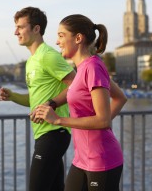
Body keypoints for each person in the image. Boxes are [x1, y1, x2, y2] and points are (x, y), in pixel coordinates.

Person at [35, 14, 127, 191]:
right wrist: (51, 103)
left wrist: (58, 120)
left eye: (61, 35)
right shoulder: (82, 69)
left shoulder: (93, 67)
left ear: (78, 38)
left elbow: (103, 120)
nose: (57, 41)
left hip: (102, 161)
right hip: (81, 159)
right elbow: (120, 97)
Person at [0, 6, 76, 191]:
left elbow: (77, 85)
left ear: (36, 29)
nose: (15, 32)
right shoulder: (32, 61)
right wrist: (13, 96)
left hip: (54, 133)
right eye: (16, 27)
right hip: (44, 134)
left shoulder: (48, 56)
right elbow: (35, 101)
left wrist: (51, 104)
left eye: (20, 27)